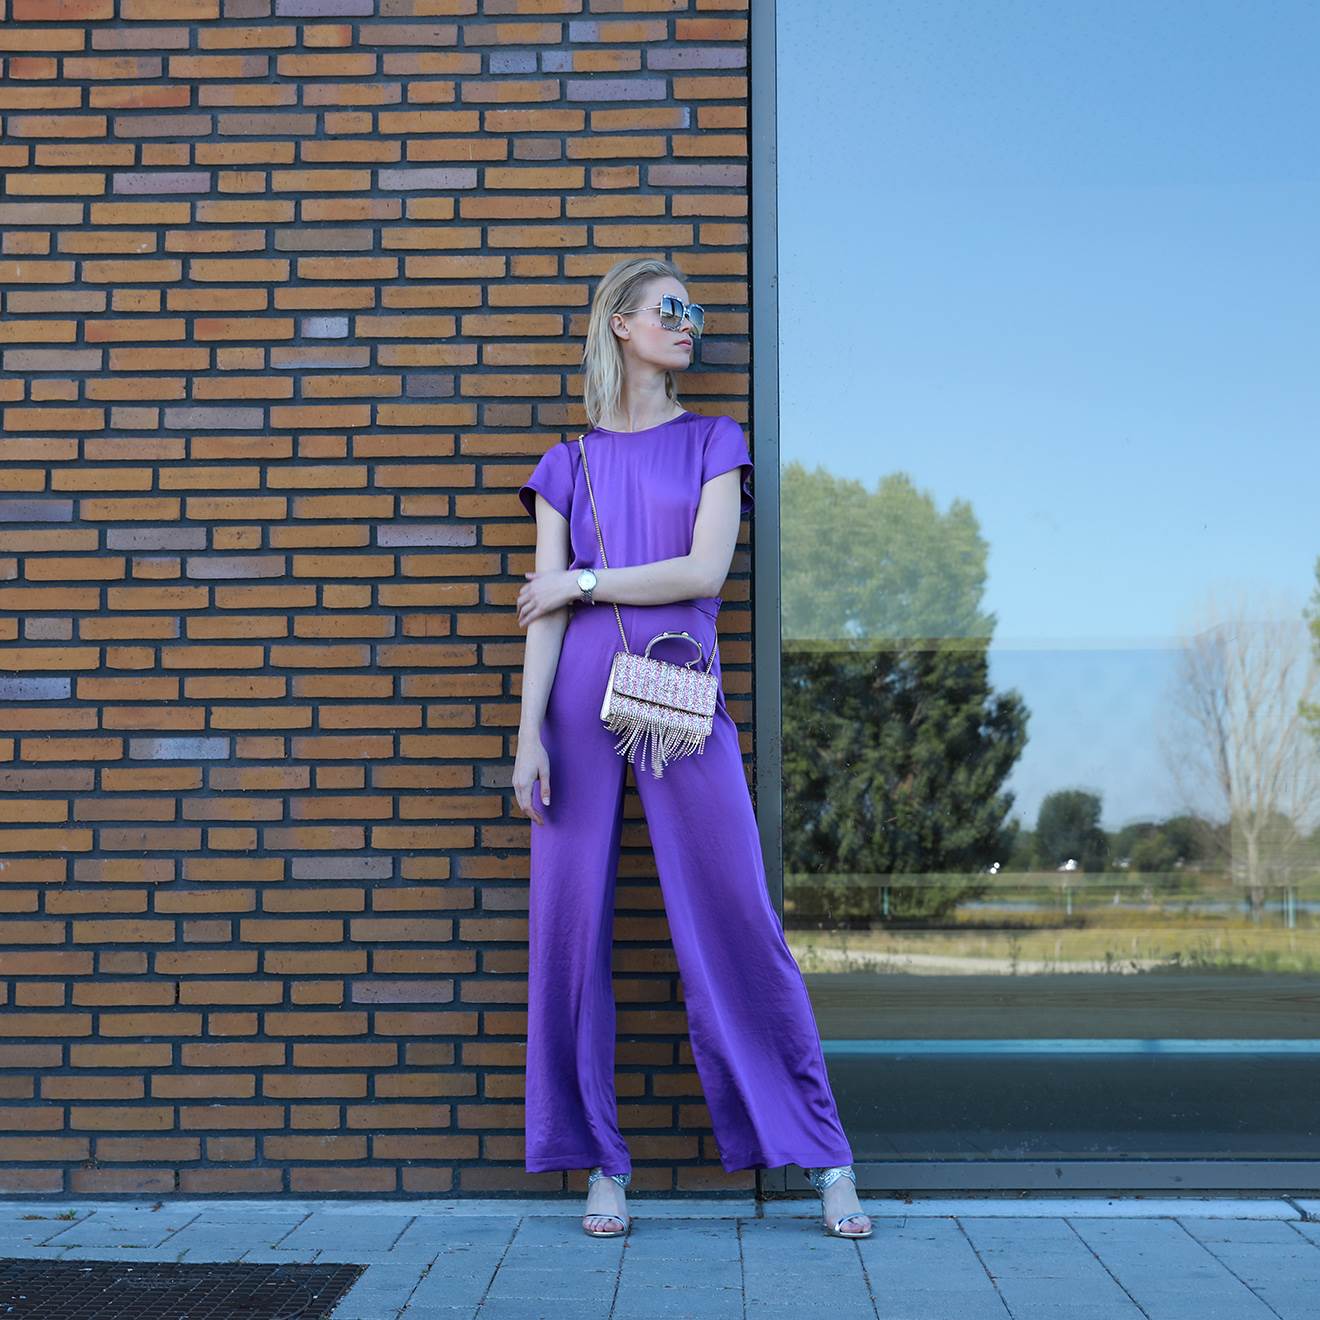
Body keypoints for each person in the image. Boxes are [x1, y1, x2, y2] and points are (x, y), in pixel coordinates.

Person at [512, 256, 872, 1241]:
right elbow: (542, 616)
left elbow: (704, 571)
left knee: (732, 912)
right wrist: (527, 736)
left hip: (679, 688)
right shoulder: (566, 463)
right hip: (576, 699)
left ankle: (824, 1154)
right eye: (669, 309)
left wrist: (585, 581)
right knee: (569, 927)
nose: (688, 324)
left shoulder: (717, 440)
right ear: (619, 324)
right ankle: (600, 1165)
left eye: (695, 312)